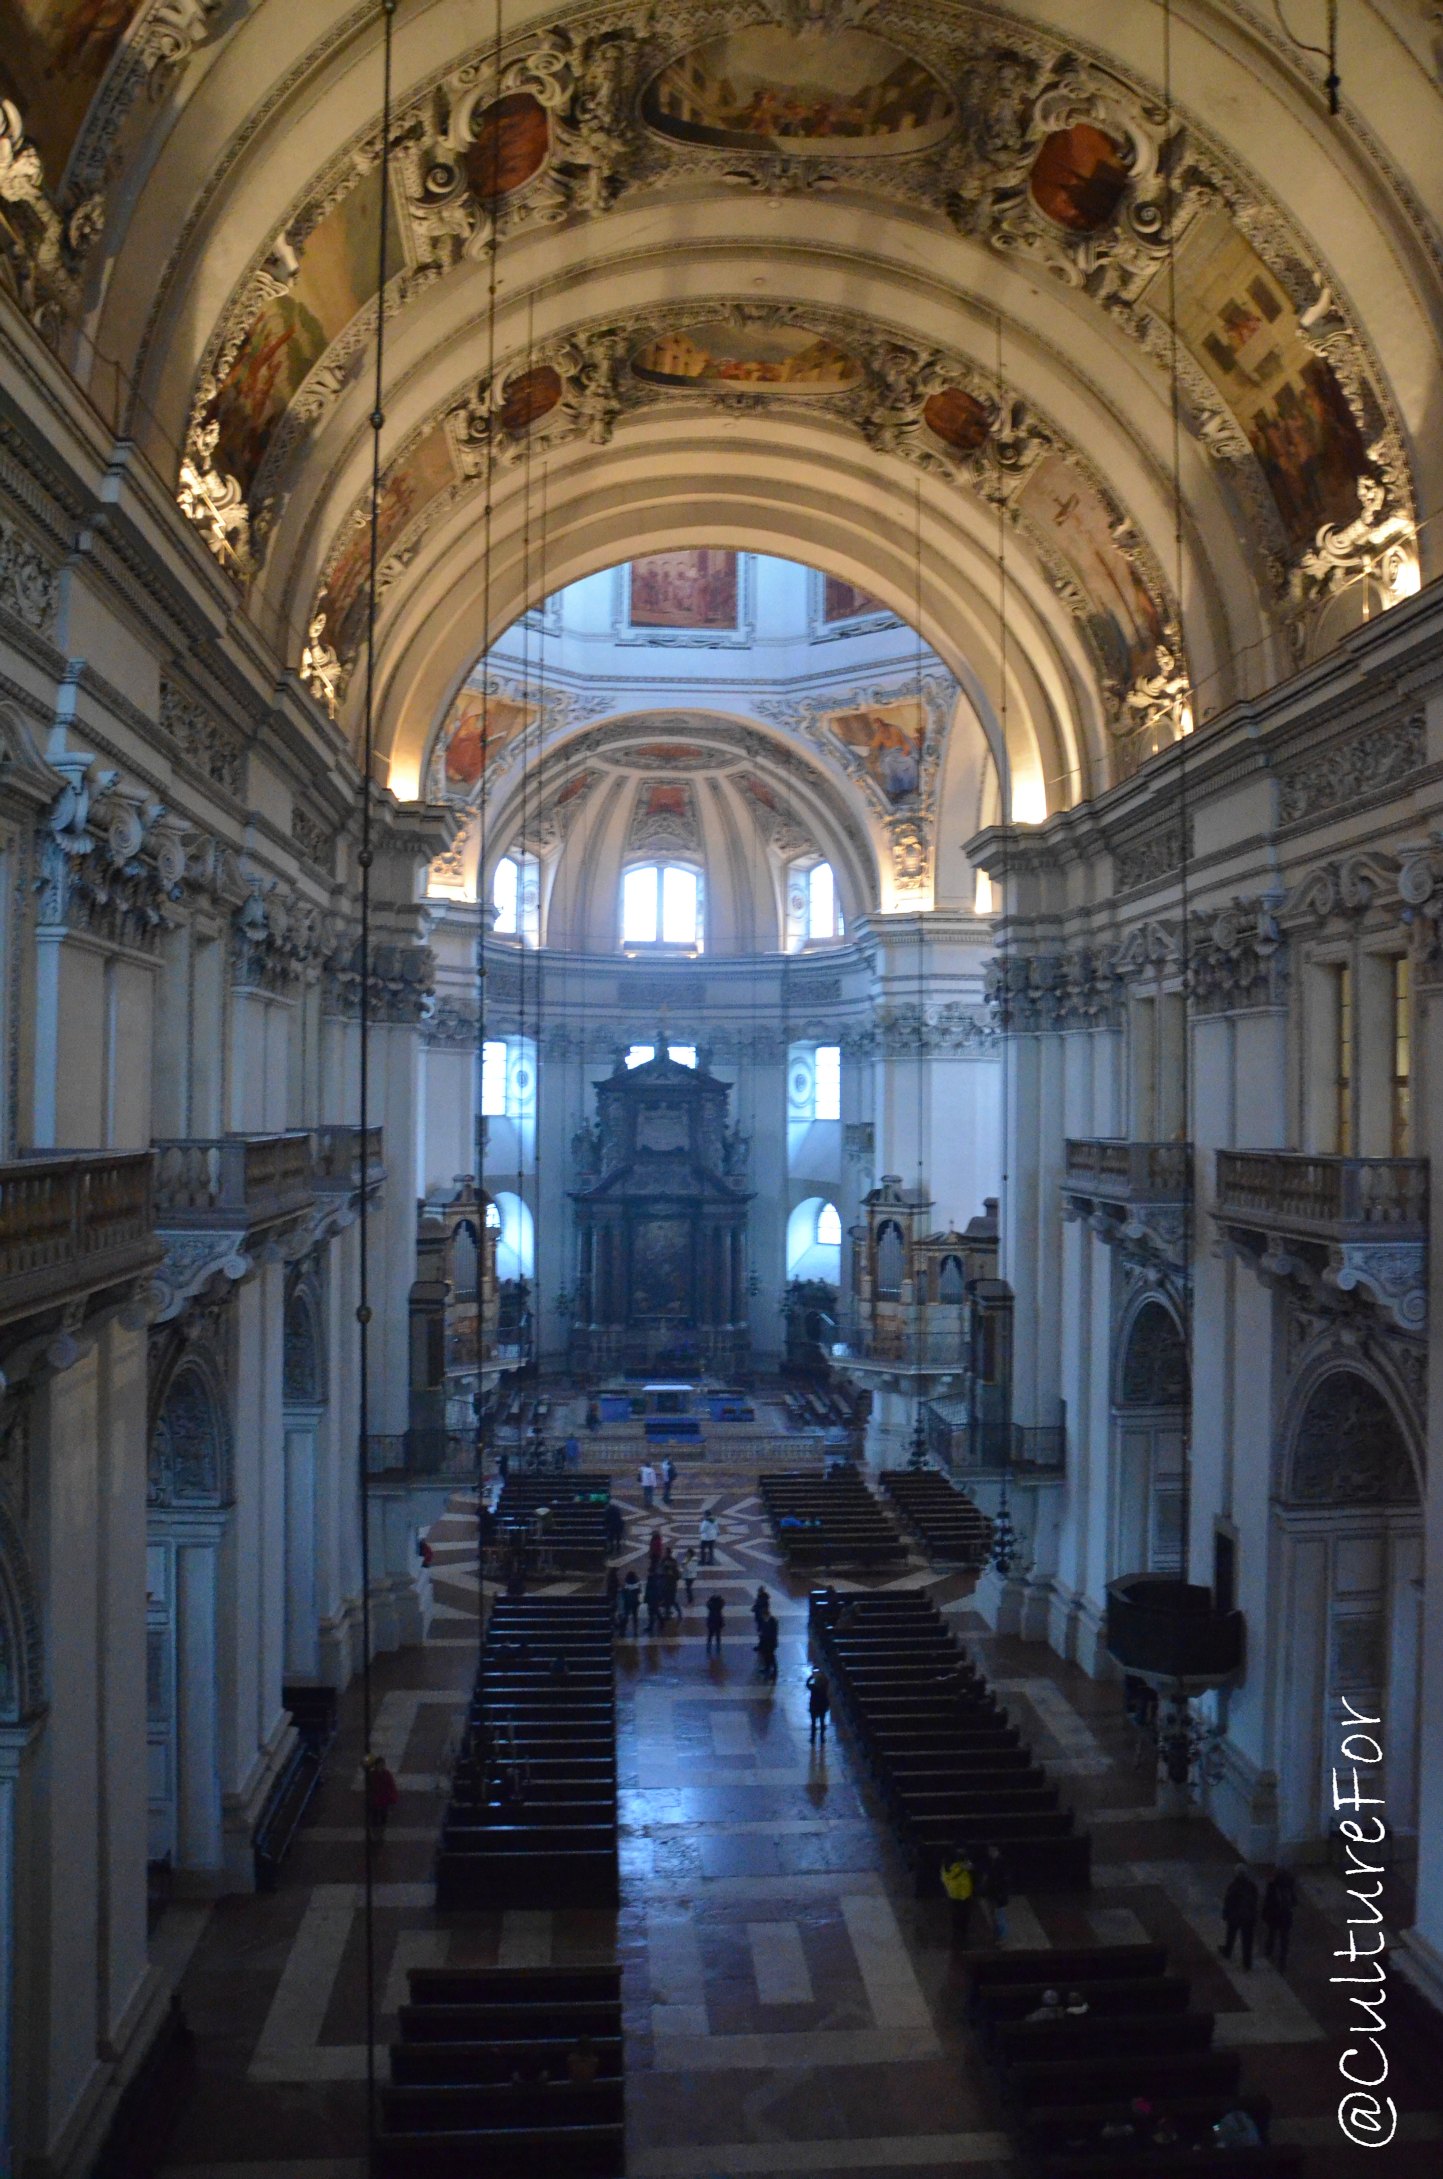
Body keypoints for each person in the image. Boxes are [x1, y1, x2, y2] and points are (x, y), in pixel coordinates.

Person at [1221, 1864, 1260, 1969]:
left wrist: (1225, 1914)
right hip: (1248, 1916)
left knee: (1231, 1935)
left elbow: (1228, 1901)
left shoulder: (1233, 1885)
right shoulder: (1251, 1886)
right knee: (1247, 1941)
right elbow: (1255, 1901)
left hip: (1235, 1916)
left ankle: (1227, 1951)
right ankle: (1247, 1963)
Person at [1261, 1864, 1298, 1970]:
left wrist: (1265, 1914)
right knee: (1284, 1940)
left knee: (1272, 1934)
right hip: (1285, 1917)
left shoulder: (1272, 1887)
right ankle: (1282, 1961)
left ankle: (1269, 1952)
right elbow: (1294, 1901)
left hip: (1274, 1916)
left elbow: (1267, 1901)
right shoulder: (1289, 1888)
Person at [940, 1846, 974, 1944]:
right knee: (959, 1916)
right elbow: (948, 1876)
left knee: (961, 1916)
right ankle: (959, 1935)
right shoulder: (951, 1863)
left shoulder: (962, 1861)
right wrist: (961, 1867)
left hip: (962, 1893)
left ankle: (961, 1935)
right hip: (958, 1894)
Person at [364, 1753, 399, 1845]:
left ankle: (380, 1835)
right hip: (375, 1801)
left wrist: (393, 1798)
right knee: (375, 1818)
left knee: (383, 1818)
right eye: (379, 1765)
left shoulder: (386, 1774)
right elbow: (369, 1788)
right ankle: (376, 1836)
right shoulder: (373, 1775)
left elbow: (391, 1786)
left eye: (382, 1765)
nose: (381, 1767)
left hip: (383, 1800)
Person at [980, 1845, 1010, 1943]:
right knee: (995, 1917)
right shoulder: (992, 1862)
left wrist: (1000, 1893)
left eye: (992, 1850)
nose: (990, 1852)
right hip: (993, 1894)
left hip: (998, 1895)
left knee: (1000, 1916)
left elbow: (1003, 1881)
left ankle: (1003, 1937)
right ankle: (998, 1936)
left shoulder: (1001, 1863)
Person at [806, 1666, 831, 1742]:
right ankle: (822, 1738)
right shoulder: (824, 1686)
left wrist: (811, 1676)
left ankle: (813, 1738)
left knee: (813, 1723)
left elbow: (807, 1684)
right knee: (822, 1721)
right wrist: (821, 1674)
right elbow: (827, 1681)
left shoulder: (813, 1687)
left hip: (814, 1706)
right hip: (822, 1706)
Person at [756, 1608, 780, 1682]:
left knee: (771, 1657)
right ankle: (767, 1669)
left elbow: (772, 1634)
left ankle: (774, 1671)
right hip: (766, 1642)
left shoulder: (772, 1622)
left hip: (770, 1643)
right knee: (767, 1657)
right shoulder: (766, 1621)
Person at [659, 1553, 681, 1627]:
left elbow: (678, 1577)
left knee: (672, 1601)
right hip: (666, 1587)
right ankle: (667, 1614)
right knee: (667, 1601)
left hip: (671, 1587)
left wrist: (672, 1575)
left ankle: (678, 1613)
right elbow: (661, 1576)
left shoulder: (673, 1569)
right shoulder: (665, 1568)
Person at [643, 1562, 664, 1636]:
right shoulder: (655, 1578)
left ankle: (652, 1626)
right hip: (653, 1598)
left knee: (652, 1612)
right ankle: (659, 1622)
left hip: (653, 1598)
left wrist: (646, 1598)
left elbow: (649, 1589)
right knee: (655, 1611)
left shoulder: (653, 1579)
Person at [618, 1570, 641, 1636]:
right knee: (635, 1616)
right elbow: (639, 1592)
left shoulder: (626, 1586)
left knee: (626, 1616)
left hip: (627, 1603)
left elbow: (623, 1593)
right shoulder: (637, 1585)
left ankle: (623, 1630)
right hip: (635, 1603)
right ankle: (635, 1630)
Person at [705, 1593, 726, 1657]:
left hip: (711, 1621)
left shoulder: (711, 1607)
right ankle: (718, 1648)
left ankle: (708, 1647)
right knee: (718, 1635)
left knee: (710, 1635)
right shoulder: (719, 1607)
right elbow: (723, 1602)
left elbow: (707, 1604)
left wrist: (711, 1599)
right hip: (718, 1622)